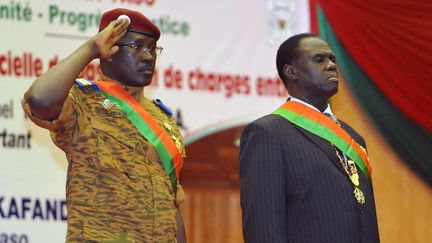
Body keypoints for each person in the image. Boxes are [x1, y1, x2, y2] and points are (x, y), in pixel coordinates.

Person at [22, 8, 186, 243]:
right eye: (137, 47)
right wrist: (91, 49)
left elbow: (173, 205)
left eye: (153, 48)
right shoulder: (83, 101)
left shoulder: (164, 119)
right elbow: (39, 100)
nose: (149, 56)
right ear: (109, 50)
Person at [239, 33, 380, 243]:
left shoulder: (354, 138)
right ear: (291, 72)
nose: (331, 65)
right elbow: (264, 229)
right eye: (319, 59)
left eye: (332, 59)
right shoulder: (268, 133)